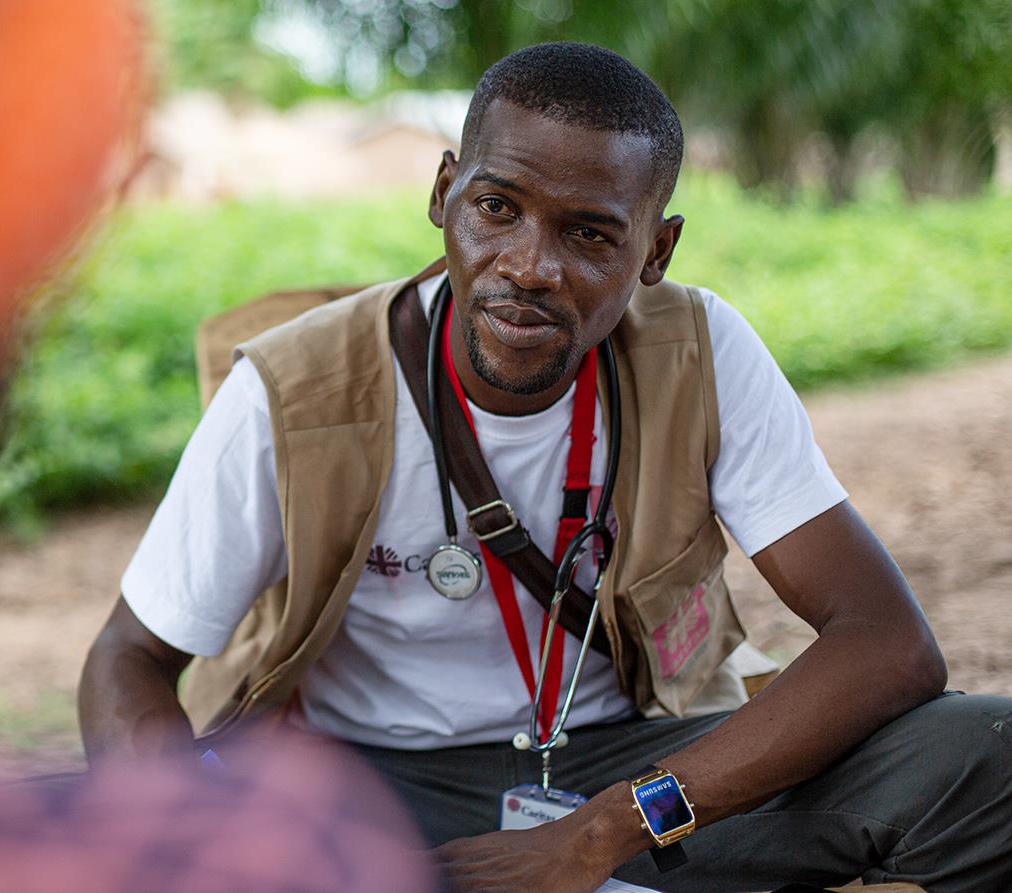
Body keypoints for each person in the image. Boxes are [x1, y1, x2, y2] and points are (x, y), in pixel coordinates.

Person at [78, 42, 1011, 893]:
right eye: (497, 208)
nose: (530, 267)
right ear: (444, 193)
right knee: (41, 833)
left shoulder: (700, 350)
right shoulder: (293, 388)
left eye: (590, 235)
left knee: (984, 754)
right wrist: (193, 841)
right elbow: (129, 658)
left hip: (630, 770)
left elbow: (887, 641)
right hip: (361, 790)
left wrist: (604, 830)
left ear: (656, 250)